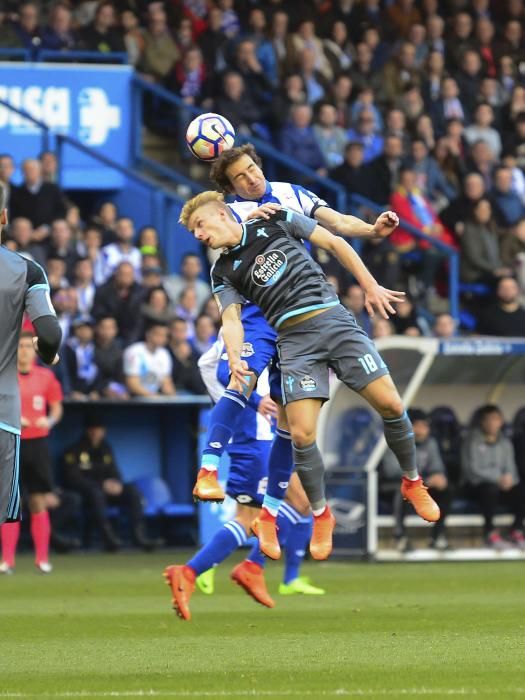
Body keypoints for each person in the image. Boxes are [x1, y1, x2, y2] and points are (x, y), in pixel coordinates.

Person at [177, 192, 440, 573]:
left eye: (200, 225)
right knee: (300, 436)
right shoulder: (223, 272)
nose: (198, 235)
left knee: (393, 406)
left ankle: (413, 482)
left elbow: (333, 241)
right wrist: (235, 358)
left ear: (221, 213)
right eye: (192, 232)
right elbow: (231, 322)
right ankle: (321, 515)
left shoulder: (274, 219)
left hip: (334, 321)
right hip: (295, 343)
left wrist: (370, 284)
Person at [164, 338, 324, 620]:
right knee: (294, 503)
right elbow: (211, 367)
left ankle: (197, 572)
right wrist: (245, 402)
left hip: (262, 436)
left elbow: (207, 363)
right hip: (255, 439)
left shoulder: (254, 325)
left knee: (253, 516)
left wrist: (230, 404)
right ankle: (237, 567)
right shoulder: (246, 329)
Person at [0, 184, 62, 526]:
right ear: (5, 217)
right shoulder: (26, 271)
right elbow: (50, 332)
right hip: (3, 412)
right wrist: (45, 350)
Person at [0, 332, 64, 574]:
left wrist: (49, 420)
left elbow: (56, 407)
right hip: (10, 442)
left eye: (28, 346)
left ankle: (42, 559)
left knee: (38, 500)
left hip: (37, 445)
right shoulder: (5, 376)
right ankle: (7, 560)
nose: (25, 350)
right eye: (21, 346)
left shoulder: (46, 377)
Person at [62, 416, 158, 551]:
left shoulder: (106, 448)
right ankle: (108, 538)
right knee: (96, 493)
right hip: (88, 494)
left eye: (99, 429)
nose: (96, 432)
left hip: (109, 492)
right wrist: (101, 484)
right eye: (93, 429)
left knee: (132, 491)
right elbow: (73, 478)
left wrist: (116, 483)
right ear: (87, 430)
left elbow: (114, 471)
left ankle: (140, 537)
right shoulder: (74, 450)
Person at [381, 409, 451, 552]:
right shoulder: (395, 441)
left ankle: (437, 537)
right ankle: (400, 537)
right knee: (402, 492)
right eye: (417, 426)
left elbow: (437, 467)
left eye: (424, 426)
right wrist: (423, 480)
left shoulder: (430, 443)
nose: (421, 431)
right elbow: (392, 471)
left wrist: (438, 476)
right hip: (393, 485)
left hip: (421, 486)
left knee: (446, 489)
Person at [461, 405, 524, 549]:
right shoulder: (472, 442)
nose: (492, 423)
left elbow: (511, 469)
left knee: (521, 490)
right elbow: (472, 470)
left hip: (501, 486)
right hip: (476, 487)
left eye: (496, 419)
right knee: (489, 490)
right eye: (488, 420)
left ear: (501, 422)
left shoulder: (505, 443)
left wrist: (509, 479)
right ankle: (490, 533)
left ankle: (517, 530)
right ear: (482, 422)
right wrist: (497, 478)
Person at [123, 321, 176, 397]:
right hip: (134, 398)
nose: (162, 338)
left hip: (154, 396)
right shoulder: (134, 351)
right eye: (158, 334)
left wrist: (172, 397)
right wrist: (153, 396)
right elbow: (132, 384)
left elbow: (166, 381)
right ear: (148, 334)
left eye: (164, 335)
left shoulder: (164, 354)